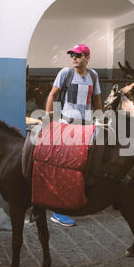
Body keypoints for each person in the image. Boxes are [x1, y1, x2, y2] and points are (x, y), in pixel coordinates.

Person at [45, 43, 103, 227]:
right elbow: (52, 95)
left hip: (87, 127)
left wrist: (100, 121)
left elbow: (96, 100)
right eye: (72, 55)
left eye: (78, 55)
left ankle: (79, 200)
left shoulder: (93, 76)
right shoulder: (66, 73)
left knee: (89, 162)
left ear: (87, 57)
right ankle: (57, 211)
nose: (74, 58)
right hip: (67, 126)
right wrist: (49, 120)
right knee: (64, 166)